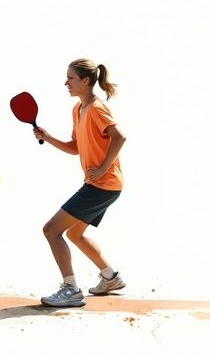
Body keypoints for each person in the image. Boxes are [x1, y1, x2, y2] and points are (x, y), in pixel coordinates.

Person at [32, 59, 128, 308]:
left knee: (51, 230)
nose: (66, 83)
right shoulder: (78, 110)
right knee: (75, 233)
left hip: (102, 185)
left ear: (85, 81)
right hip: (104, 185)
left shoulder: (97, 108)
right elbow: (75, 148)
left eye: (70, 78)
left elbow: (120, 137)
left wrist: (104, 167)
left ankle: (71, 290)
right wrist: (48, 137)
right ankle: (110, 278)